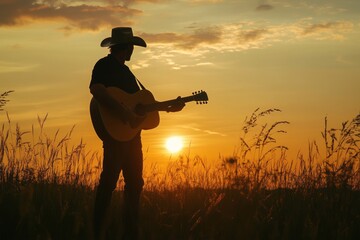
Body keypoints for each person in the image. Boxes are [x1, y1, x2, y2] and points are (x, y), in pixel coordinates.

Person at [89, 27, 185, 240]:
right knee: (109, 182)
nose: (132, 50)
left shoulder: (128, 74)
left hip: (133, 138)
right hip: (115, 136)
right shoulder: (104, 65)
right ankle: (98, 230)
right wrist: (123, 112)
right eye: (131, 46)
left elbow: (140, 107)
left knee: (135, 183)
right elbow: (96, 89)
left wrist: (169, 106)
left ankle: (130, 232)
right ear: (126, 47)